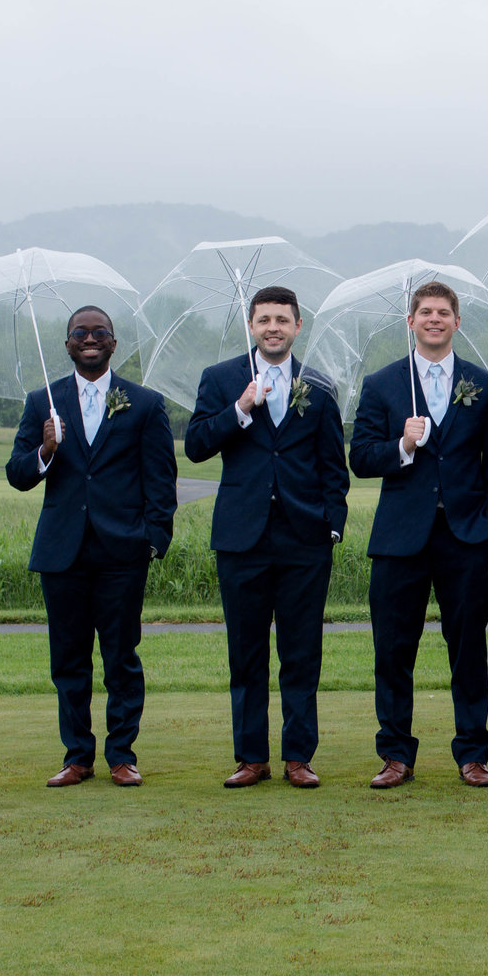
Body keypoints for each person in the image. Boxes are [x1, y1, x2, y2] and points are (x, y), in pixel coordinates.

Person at [6, 306, 177, 787]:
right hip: (62, 552)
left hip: (122, 551)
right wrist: (44, 450)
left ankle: (121, 754)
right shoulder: (44, 401)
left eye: (99, 333)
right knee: (69, 660)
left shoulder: (142, 403)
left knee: (122, 658)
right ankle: (77, 756)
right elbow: (17, 473)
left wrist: (153, 540)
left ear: (113, 343)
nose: (89, 339)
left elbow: (161, 481)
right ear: (66, 345)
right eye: (80, 333)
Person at [186, 284, 349, 788]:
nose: (273, 327)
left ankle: (298, 757)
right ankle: (251, 757)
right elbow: (194, 446)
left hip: (305, 538)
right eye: (264, 320)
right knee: (247, 653)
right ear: (251, 326)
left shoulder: (319, 386)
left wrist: (333, 523)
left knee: (302, 654)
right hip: (242, 538)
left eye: (283, 319)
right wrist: (239, 409)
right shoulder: (221, 379)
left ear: (298, 326)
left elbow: (332, 466)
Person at [347, 281, 488, 789]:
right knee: (393, 650)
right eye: (425, 312)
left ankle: (473, 754)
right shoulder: (382, 384)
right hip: (400, 539)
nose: (434, 319)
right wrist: (402, 444)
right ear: (411, 322)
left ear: (456, 322)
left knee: (469, 650)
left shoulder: (484, 384)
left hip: (465, 537)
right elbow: (360, 458)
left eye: (443, 312)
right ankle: (396, 754)